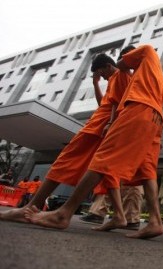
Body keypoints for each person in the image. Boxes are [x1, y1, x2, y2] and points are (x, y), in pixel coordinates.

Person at [24, 45, 163, 241]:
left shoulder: (144, 55)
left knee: (101, 160)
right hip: (155, 118)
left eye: (102, 72)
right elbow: (110, 102)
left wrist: (109, 122)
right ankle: (154, 221)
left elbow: (119, 73)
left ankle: (64, 213)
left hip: (138, 112)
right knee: (146, 170)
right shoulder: (145, 76)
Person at [0, 51, 131, 224]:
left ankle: (30, 207)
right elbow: (106, 103)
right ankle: (120, 216)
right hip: (104, 124)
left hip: (99, 126)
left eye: (102, 73)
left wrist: (109, 124)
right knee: (105, 171)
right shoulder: (117, 79)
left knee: (65, 158)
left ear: (108, 66)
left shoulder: (119, 76)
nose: (103, 78)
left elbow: (116, 104)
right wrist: (95, 84)